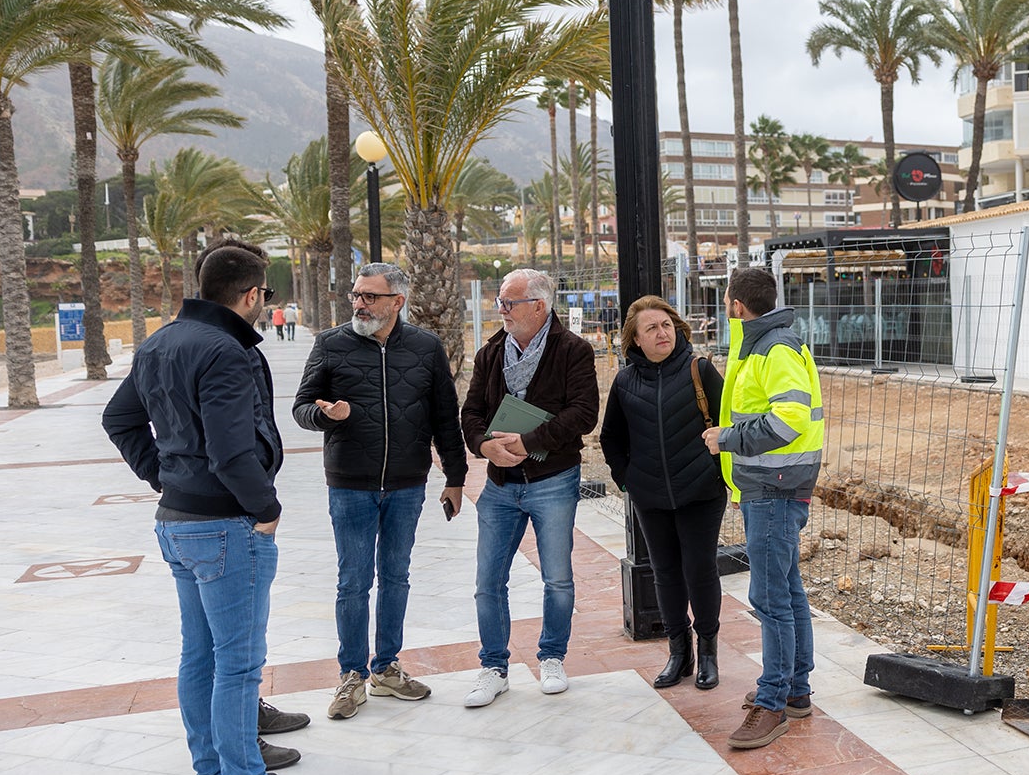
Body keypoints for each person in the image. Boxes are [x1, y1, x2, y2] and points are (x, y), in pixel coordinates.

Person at [101, 238, 328, 775]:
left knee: (199, 656)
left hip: (177, 522)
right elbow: (231, 451)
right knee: (238, 666)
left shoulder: (161, 341)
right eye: (264, 295)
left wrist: (164, 477)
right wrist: (266, 507)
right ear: (251, 295)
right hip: (225, 526)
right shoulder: (226, 350)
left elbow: (119, 419)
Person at [294, 263, 468, 721]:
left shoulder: (426, 347)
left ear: (397, 302)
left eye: (370, 296)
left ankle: (386, 668)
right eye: (356, 295)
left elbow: (445, 417)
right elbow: (301, 408)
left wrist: (455, 478)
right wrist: (325, 415)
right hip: (350, 484)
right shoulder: (330, 344)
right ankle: (351, 674)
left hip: (408, 484)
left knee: (396, 576)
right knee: (353, 581)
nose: (359, 304)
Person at [459, 268, 599, 707]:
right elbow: (471, 412)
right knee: (487, 582)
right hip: (500, 484)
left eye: (509, 302)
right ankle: (493, 667)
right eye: (500, 302)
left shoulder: (573, 350)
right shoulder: (490, 353)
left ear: (539, 306)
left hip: (552, 480)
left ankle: (552, 658)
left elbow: (584, 413)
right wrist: (485, 446)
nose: (501, 310)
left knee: (557, 579)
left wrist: (529, 442)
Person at [704, 266, 824, 750]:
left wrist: (728, 438)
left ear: (736, 305)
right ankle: (795, 690)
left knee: (770, 598)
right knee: (787, 592)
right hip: (771, 484)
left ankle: (773, 703)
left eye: (726, 301)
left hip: (775, 487)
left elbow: (790, 419)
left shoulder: (774, 348)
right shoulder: (761, 343)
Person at [600, 296, 726, 692]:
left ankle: (708, 653)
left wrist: (717, 473)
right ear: (635, 339)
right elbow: (610, 438)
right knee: (665, 572)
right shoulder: (625, 382)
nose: (662, 333)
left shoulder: (699, 370)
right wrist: (628, 481)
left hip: (701, 492)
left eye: (666, 325)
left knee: (700, 570)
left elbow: (729, 425)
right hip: (650, 497)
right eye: (651, 328)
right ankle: (678, 652)